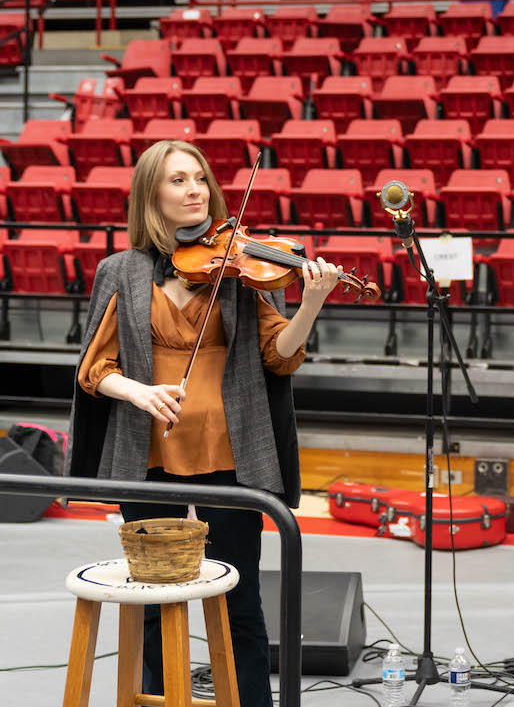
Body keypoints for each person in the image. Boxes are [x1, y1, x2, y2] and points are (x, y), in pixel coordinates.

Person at [64, 139, 341, 706]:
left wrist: (310, 304)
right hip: (147, 453)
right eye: (177, 180)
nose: (193, 190)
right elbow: (95, 367)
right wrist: (140, 393)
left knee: (240, 600)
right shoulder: (119, 270)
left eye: (199, 179)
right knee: (152, 598)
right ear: (151, 194)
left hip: (232, 450)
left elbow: (279, 355)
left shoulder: (237, 267)